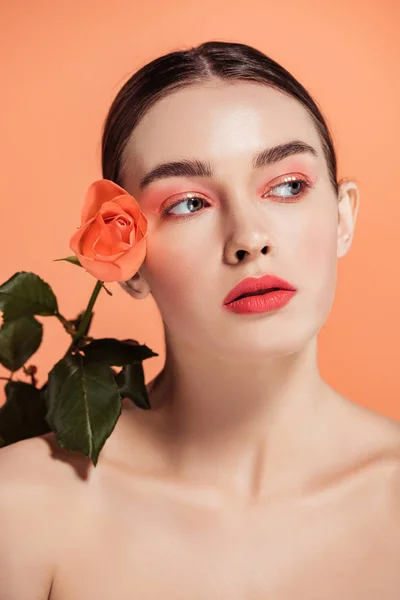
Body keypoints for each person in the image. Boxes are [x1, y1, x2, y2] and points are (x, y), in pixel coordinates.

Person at [1, 40, 400, 599]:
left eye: (288, 186)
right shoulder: (21, 508)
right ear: (128, 262)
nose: (249, 238)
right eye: (188, 203)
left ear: (343, 217)